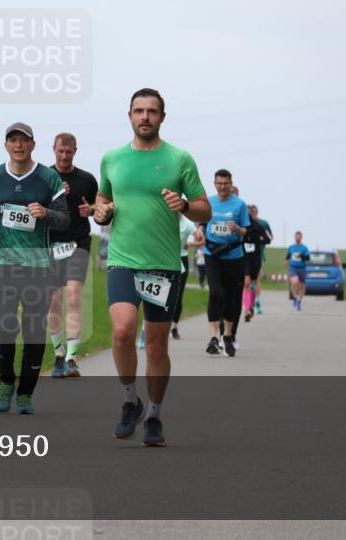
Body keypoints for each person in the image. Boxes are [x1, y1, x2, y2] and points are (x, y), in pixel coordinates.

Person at [94, 88, 210, 446]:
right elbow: (103, 198)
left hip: (163, 266)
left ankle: (155, 417)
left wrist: (185, 204)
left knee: (157, 346)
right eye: (139, 111)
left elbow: (205, 209)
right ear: (129, 115)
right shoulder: (112, 158)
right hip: (123, 261)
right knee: (123, 332)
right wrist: (102, 211)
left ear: (162, 117)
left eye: (152, 111)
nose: (145, 117)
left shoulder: (179, 159)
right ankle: (131, 401)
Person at [0, 123, 69, 415]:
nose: (18, 145)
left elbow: (65, 219)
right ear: (6, 145)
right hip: (2, 264)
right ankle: (5, 383)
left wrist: (47, 213)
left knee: (33, 330)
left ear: (32, 145)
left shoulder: (47, 178)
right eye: (12, 140)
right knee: (5, 327)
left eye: (23, 141)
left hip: (37, 266)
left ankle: (26, 393)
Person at [47, 132, 98, 379]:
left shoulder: (87, 179)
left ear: (75, 151)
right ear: (53, 150)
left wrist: (91, 210)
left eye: (69, 152)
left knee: (74, 295)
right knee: (53, 299)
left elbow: (100, 209)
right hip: (50, 245)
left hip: (78, 242)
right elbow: (32, 210)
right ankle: (58, 353)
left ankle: (72, 358)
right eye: (60, 151)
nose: (64, 156)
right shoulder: (43, 178)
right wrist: (55, 196)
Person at [203, 169, 250, 357]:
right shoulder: (209, 202)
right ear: (215, 183)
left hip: (234, 256)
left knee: (231, 297)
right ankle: (214, 337)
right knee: (215, 293)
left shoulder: (239, 204)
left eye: (226, 183)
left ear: (231, 184)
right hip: (212, 254)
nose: (222, 187)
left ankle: (228, 336)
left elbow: (247, 231)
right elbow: (201, 222)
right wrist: (199, 230)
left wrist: (237, 229)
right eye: (219, 183)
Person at [138, 214, 196, 347]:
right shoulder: (158, 218)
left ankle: (166, 330)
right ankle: (143, 333)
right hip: (152, 262)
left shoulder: (186, 224)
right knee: (148, 298)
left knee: (167, 300)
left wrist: (192, 241)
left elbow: (198, 234)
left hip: (172, 264)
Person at [241, 205, 273, 320]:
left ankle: (251, 305)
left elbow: (268, 239)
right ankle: (247, 309)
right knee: (246, 283)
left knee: (253, 283)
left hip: (255, 258)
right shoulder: (240, 225)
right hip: (243, 258)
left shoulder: (258, 226)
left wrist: (258, 239)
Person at [286, 231, 311, 311]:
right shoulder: (291, 247)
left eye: (298, 236)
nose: (297, 238)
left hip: (302, 268)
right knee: (294, 282)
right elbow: (288, 257)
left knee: (302, 286)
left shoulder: (304, 248)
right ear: (294, 237)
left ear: (301, 238)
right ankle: (295, 298)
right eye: (296, 236)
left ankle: (299, 301)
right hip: (293, 268)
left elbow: (308, 258)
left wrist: (301, 255)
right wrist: (286, 261)